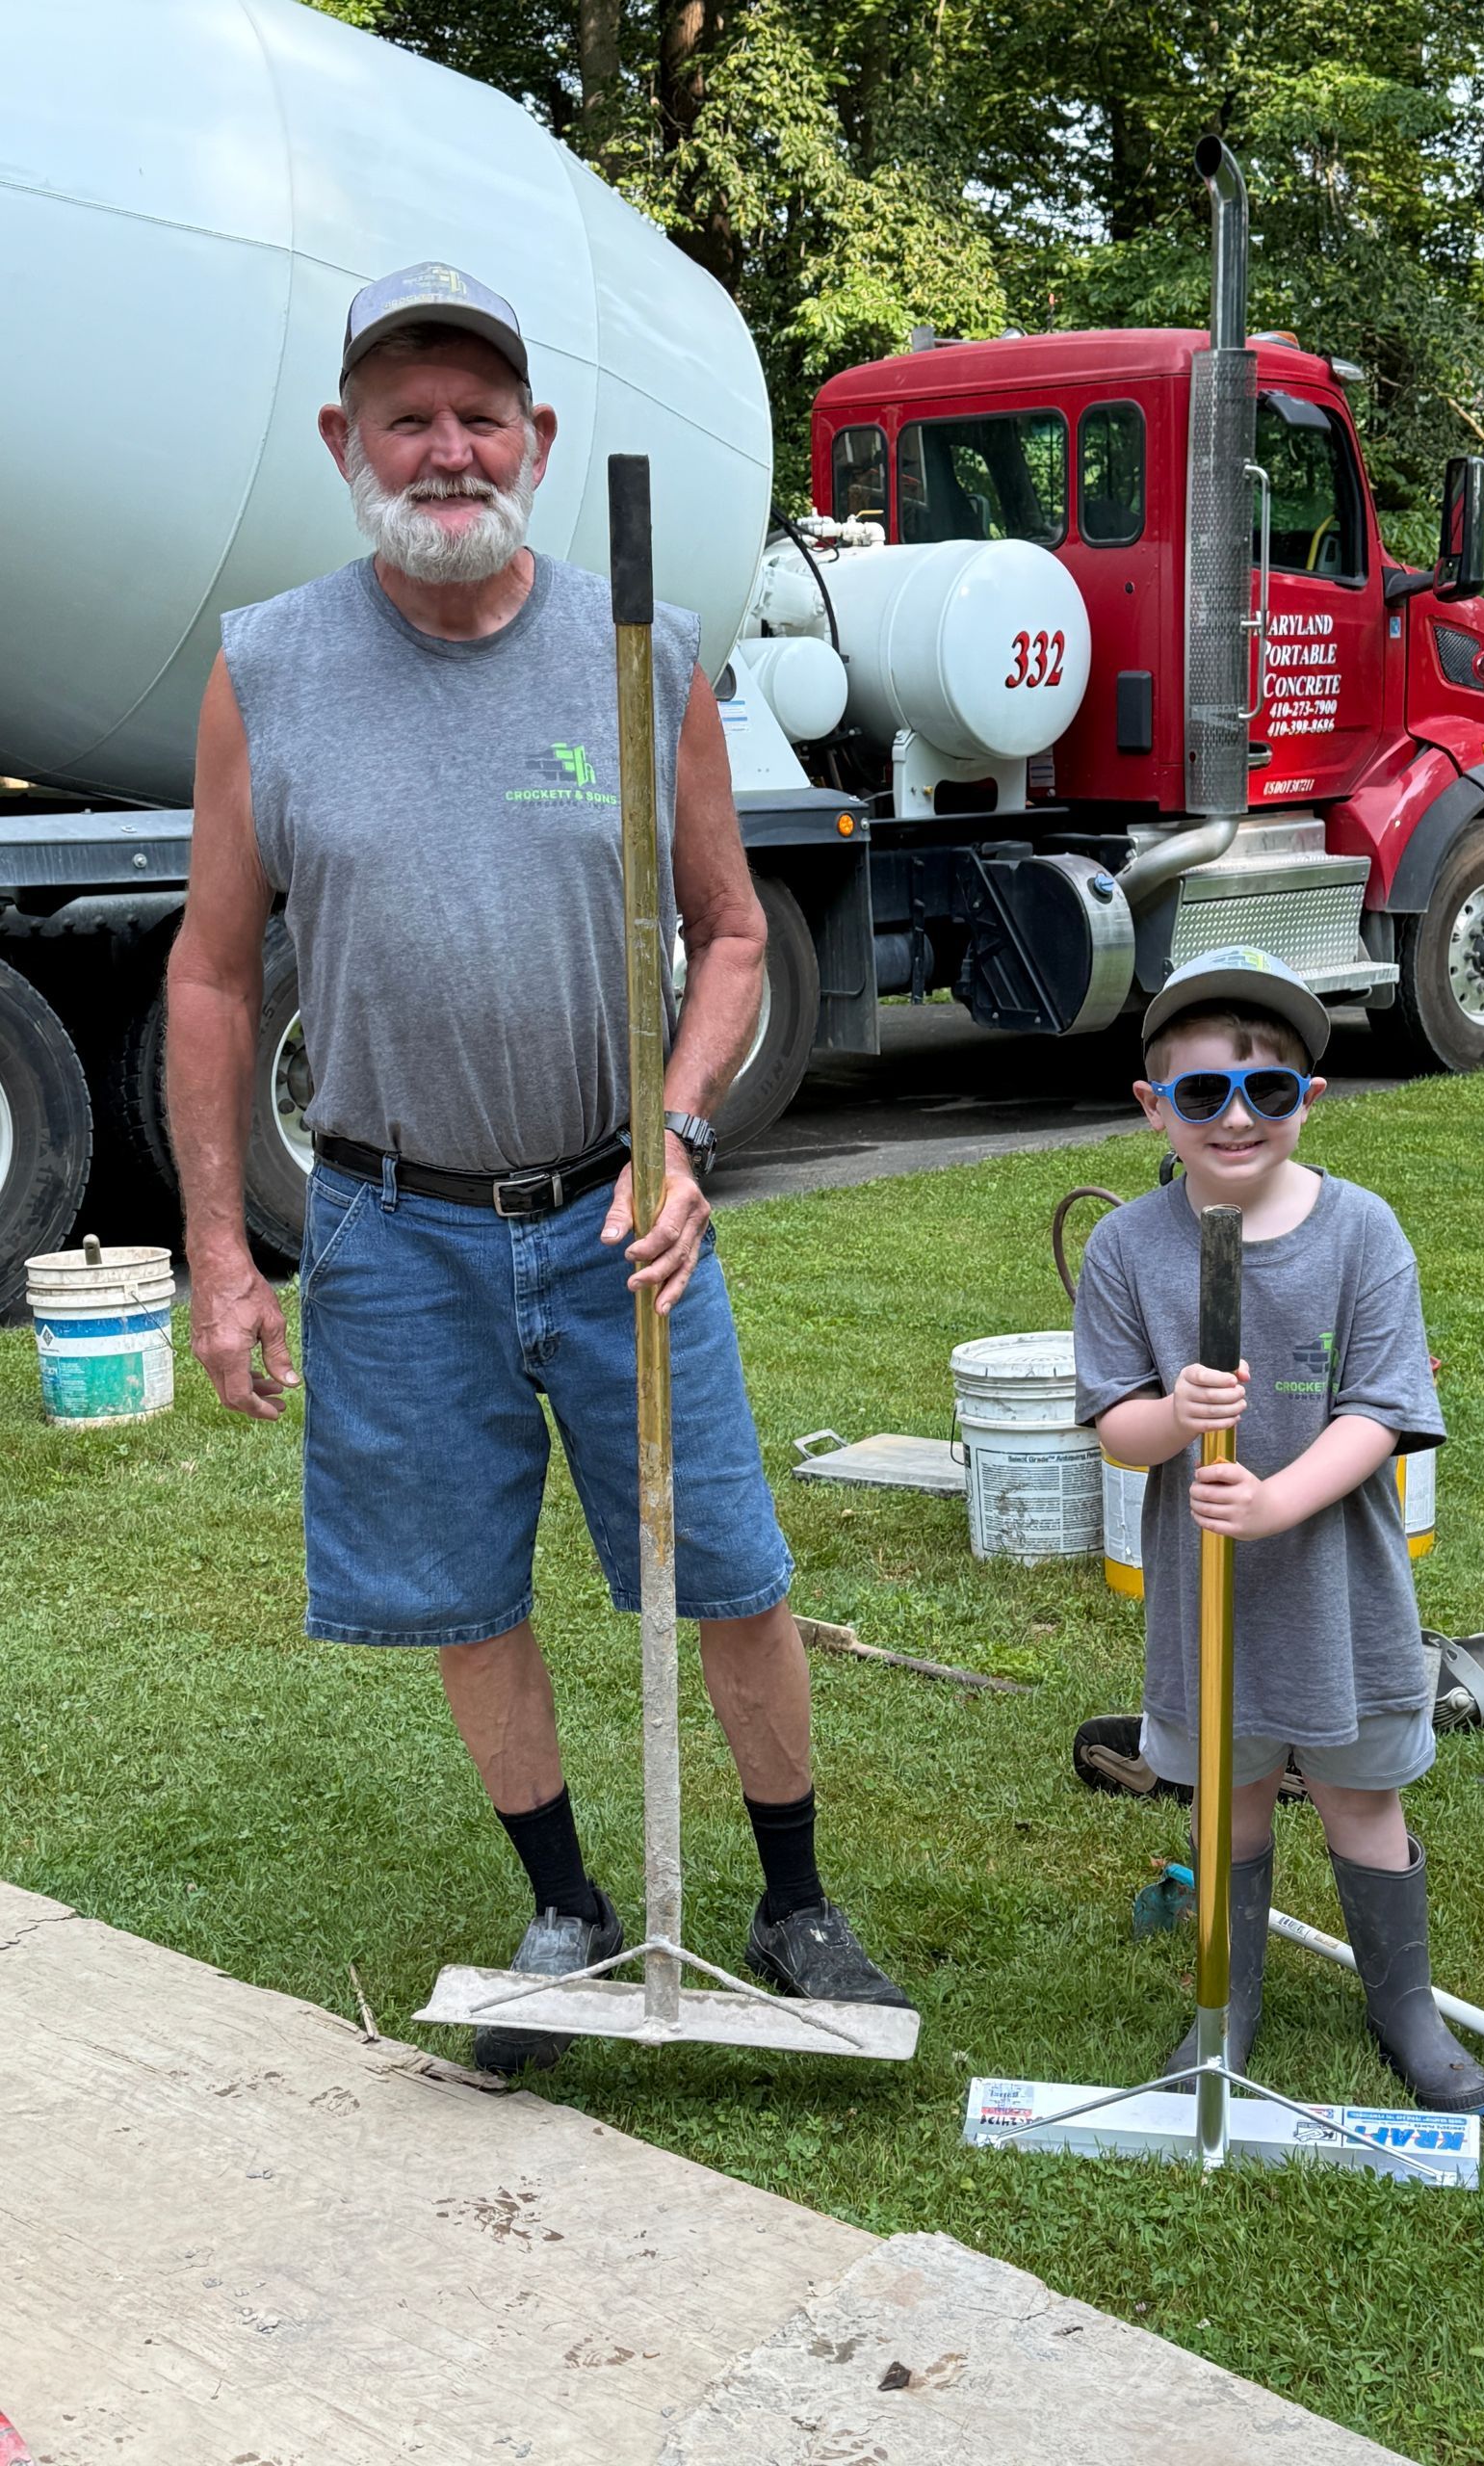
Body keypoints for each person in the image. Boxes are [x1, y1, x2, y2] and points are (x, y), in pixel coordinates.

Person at [166, 263, 907, 2072]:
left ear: (539, 441)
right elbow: (205, 968)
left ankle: (793, 1901)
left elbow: (733, 935)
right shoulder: (267, 669)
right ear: (346, 442)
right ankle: (567, 1909)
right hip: (389, 1218)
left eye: (478, 414)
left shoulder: (640, 653)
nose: (445, 448)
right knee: (459, 1594)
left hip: (616, 1214)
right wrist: (216, 1248)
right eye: (405, 416)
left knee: (726, 1568)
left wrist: (679, 1134)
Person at [1070, 947, 1484, 2114]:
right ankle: (1230, 2002)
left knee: (1363, 1788)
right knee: (1230, 1784)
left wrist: (1275, 1500)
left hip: (1337, 1581)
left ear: (1311, 1097)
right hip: (1205, 1595)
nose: (1238, 1118)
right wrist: (1175, 1415)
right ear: (1155, 1108)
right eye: (1203, 1095)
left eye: (1269, 1091)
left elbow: (1385, 1409)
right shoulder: (1128, 1250)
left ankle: (1404, 2007)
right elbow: (1116, 1427)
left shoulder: (1361, 1232)